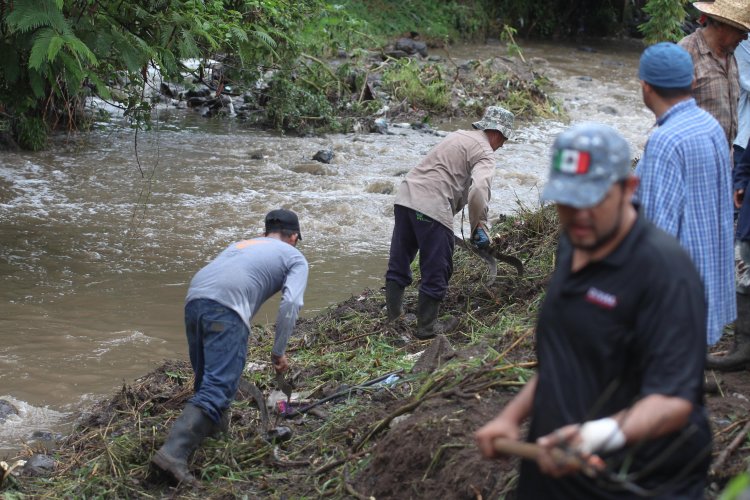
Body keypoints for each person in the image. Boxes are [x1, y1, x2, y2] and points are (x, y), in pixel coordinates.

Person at [475, 123, 711, 499]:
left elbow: (673, 401)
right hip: (556, 465)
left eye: (592, 200)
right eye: (568, 201)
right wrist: (510, 417)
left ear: (628, 189)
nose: (579, 215)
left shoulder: (664, 273)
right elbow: (566, 360)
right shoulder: (574, 243)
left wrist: (592, 437)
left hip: (631, 478)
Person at [151, 209, 309, 485]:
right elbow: (292, 304)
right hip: (227, 308)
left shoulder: (242, 244)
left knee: (207, 380)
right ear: (294, 237)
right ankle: (172, 454)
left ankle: (216, 436)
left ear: (265, 233)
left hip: (195, 298)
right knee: (219, 385)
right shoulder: (295, 256)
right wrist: (278, 351)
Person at [635, 42, 735, 348]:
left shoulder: (665, 140)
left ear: (646, 87)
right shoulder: (711, 126)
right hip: (706, 276)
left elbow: (657, 229)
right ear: (692, 83)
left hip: (675, 286)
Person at [384, 105, 514, 340]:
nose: (502, 145)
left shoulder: (457, 136)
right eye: (504, 139)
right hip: (432, 207)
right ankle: (427, 327)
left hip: (405, 199)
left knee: (400, 259)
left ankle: (394, 319)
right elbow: (479, 192)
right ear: (497, 132)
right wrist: (479, 228)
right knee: (438, 266)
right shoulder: (486, 151)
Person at [678, 0, 750, 148]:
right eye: (741, 31)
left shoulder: (730, 56)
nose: (745, 38)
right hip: (694, 155)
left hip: (723, 158)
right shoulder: (686, 54)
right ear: (722, 25)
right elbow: (668, 116)